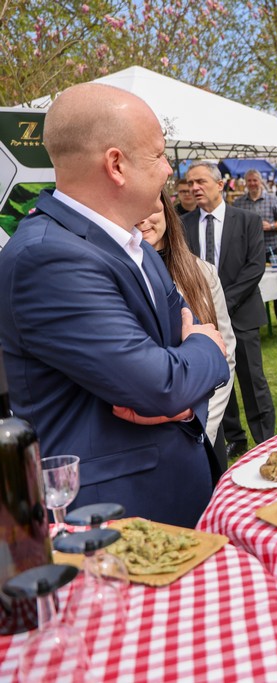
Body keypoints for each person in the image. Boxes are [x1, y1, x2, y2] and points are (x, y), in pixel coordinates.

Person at [0, 83, 229, 528]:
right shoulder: (48, 258)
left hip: (167, 500)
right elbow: (162, 382)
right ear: (116, 165)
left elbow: (178, 360)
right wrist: (202, 355)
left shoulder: (132, 244)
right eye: (158, 155)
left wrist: (184, 400)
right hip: (112, 522)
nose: (169, 170)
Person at [138, 189, 237, 471]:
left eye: (152, 208)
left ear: (167, 211)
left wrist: (205, 424)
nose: (144, 219)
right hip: (148, 435)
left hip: (205, 426)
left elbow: (226, 353)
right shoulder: (119, 277)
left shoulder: (202, 272)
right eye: (136, 210)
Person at [182, 161, 276, 458]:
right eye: (190, 183)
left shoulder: (247, 220)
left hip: (242, 313)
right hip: (202, 319)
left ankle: (265, 439)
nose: (194, 188)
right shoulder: (182, 225)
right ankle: (234, 436)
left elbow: (255, 267)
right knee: (218, 379)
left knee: (252, 379)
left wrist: (221, 301)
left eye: (201, 181)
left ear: (220, 185)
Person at [233, 168, 277, 324]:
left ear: (260, 181)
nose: (252, 183)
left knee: (276, 282)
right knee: (248, 282)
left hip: (270, 248)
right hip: (247, 251)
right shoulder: (239, 202)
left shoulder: (273, 200)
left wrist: (270, 226)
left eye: (255, 180)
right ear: (245, 183)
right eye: (249, 181)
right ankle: (249, 315)